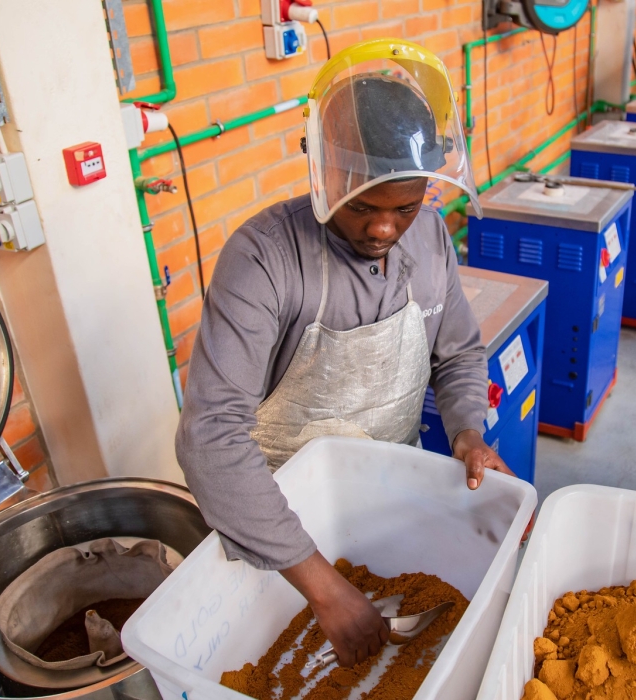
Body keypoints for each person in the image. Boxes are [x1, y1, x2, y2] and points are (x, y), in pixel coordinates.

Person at [176, 39, 510, 666]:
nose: (384, 230)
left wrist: (467, 433)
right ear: (324, 173)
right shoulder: (263, 260)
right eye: (363, 207)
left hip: (387, 499)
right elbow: (211, 438)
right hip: (276, 532)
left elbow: (459, 352)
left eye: (405, 208)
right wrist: (324, 588)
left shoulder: (432, 238)